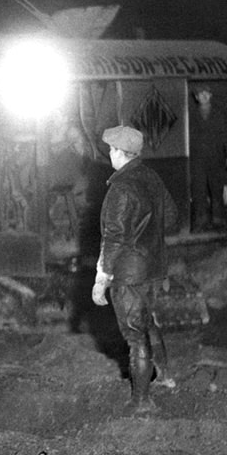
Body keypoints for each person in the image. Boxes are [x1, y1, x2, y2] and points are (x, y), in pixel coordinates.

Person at [91, 125, 178, 414]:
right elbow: (171, 216)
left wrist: (101, 278)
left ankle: (141, 402)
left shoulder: (121, 188)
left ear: (119, 153)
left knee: (135, 335)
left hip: (129, 273)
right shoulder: (151, 177)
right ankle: (166, 377)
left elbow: (114, 237)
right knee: (148, 322)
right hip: (154, 267)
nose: (109, 155)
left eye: (111, 150)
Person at [189, 86, 227, 231]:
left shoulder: (220, 114)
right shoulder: (191, 115)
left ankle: (218, 220)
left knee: (216, 189)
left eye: (206, 93)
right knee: (199, 190)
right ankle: (200, 222)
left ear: (210, 95)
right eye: (200, 94)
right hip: (197, 160)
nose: (203, 96)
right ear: (196, 97)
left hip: (216, 158)